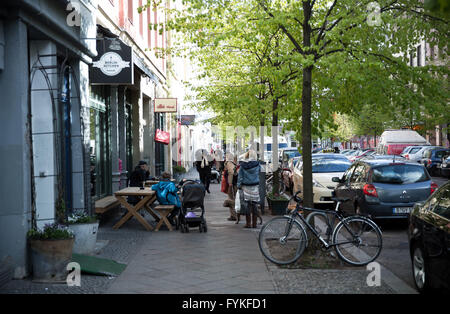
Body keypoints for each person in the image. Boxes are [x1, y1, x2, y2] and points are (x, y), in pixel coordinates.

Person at [237, 149, 261, 228]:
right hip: (255, 187)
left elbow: (240, 177)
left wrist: (239, 185)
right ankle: (254, 223)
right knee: (254, 205)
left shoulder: (243, 165)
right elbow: (259, 173)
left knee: (247, 205)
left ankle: (248, 223)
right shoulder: (258, 164)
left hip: (245, 186)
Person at [223, 152, 238, 221]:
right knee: (234, 199)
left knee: (231, 200)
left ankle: (234, 215)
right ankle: (235, 215)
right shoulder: (234, 163)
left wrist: (230, 184)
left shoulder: (229, 163)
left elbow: (231, 173)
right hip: (235, 184)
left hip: (232, 185)